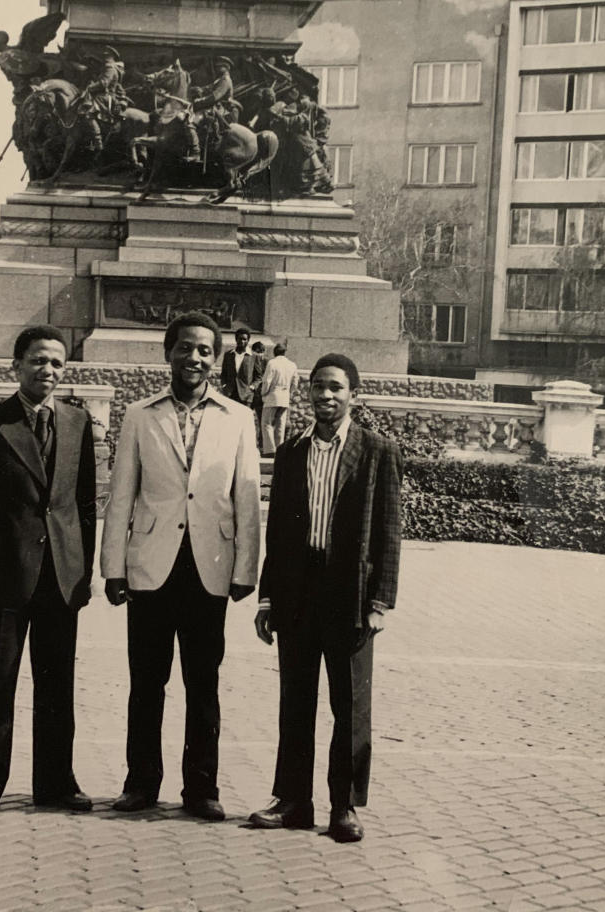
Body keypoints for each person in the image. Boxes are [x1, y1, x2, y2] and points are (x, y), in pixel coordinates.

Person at [101, 311, 260, 820]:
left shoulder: (238, 418)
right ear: (167, 353)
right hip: (150, 565)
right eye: (185, 348)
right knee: (147, 683)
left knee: (203, 685)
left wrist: (244, 571)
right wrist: (114, 567)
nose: (194, 358)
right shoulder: (140, 416)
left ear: (217, 359)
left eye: (205, 351)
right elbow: (121, 495)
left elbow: (247, 500)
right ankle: (141, 784)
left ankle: (202, 790)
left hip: (208, 567)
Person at [250, 353, 403, 844]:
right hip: (297, 592)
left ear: (353, 393)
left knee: (350, 704)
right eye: (317, 387)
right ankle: (293, 800)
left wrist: (380, 602)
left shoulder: (377, 451)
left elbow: (388, 533)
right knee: (295, 701)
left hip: (350, 595)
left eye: (336, 387)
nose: (326, 395)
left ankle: (344, 806)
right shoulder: (293, 450)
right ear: (306, 392)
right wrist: (267, 598)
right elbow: (278, 531)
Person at [0, 324, 96, 814]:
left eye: (57, 363)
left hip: (61, 577)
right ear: (16, 367)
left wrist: (84, 572)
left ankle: (56, 784)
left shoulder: (77, 423)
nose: (48, 371)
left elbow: (82, 506)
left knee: (57, 686)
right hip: (4, 579)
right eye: (38, 361)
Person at [259, 342, 299, 456]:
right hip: (284, 397)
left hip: (272, 396)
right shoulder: (292, 365)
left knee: (266, 423)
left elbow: (267, 381)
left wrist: (263, 393)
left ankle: (270, 450)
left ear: (274, 352)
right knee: (280, 424)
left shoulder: (272, 363)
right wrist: (289, 392)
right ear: (284, 352)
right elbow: (295, 383)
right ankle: (279, 449)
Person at [219, 327, 259, 406]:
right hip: (230, 394)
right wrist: (224, 385)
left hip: (246, 395)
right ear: (236, 339)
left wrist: (252, 387)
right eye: (240, 339)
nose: (242, 341)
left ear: (248, 341)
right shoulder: (228, 355)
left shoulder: (253, 356)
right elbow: (224, 373)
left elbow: (259, 376)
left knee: (244, 417)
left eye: (244, 339)